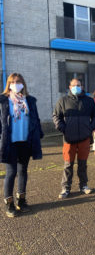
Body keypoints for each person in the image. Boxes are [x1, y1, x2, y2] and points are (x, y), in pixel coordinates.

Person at [1, 73, 43, 217]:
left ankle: (22, 200)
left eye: (18, 81)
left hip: (26, 142)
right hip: (10, 143)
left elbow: (35, 119)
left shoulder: (29, 100)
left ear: (23, 83)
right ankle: (9, 203)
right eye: (12, 82)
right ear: (8, 84)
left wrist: (39, 134)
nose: (16, 84)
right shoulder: (4, 100)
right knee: (11, 173)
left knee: (23, 171)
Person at [53, 78, 95, 199]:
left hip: (84, 138)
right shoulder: (62, 101)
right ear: (69, 87)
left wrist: (91, 128)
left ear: (82, 86)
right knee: (68, 165)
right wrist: (63, 128)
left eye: (78, 85)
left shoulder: (89, 101)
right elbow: (56, 116)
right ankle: (66, 188)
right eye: (74, 85)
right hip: (69, 139)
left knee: (83, 164)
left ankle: (83, 185)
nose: (76, 87)